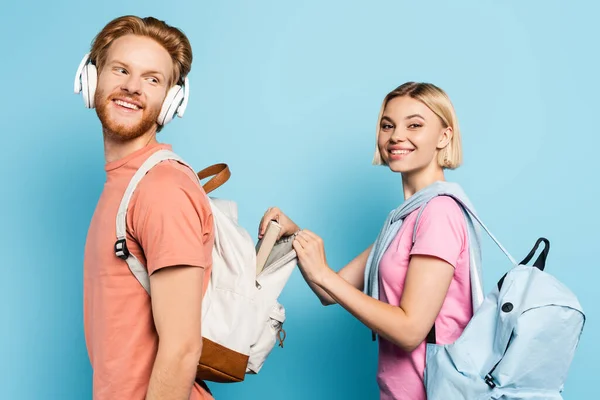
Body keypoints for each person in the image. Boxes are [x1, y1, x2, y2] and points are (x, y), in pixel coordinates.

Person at [259, 82, 481, 400]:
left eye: (414, 125)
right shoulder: (403, 219)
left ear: (443, 137)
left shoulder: (439, 213)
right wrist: (294, 235)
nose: (396, 136)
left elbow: (409, 331)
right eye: (387, 125)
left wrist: (323, 273)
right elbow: (328, 291)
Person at [79, 15, 215, 400]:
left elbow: (182, 347)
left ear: (172, 100)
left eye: (153, 79)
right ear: (92, 77)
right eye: (121, 70)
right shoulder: (123, 182)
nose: (132, 87)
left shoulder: (161, 189)